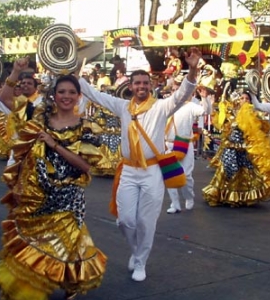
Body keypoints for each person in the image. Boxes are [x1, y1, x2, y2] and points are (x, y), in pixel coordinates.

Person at [77, 48, 202, 282]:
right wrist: (75, 74)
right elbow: (94, 95)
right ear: (131, 86)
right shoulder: (122, 107)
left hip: (152, 172)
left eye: (145, 83)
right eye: (137, 83)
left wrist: (193, 69)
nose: (141, 86)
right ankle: (136, 253)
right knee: (125, 221)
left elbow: (183, 94)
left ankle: (141, 261)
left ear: (151, 85)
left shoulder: (161, 106)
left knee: (146, 221)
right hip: (128, 171)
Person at [0, 74, 107, 300]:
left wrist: (54, 144)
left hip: (67, 198)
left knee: (65, 244)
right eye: (61, 92)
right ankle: (30, 289)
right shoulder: (38, 118)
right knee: (35, 243)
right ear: (54, 95)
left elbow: (87, 166)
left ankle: (65, 278)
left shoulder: (86, 127)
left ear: (79, 96)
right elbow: (5, 98)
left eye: (71, 92)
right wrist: (15, 72)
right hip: (35, 196)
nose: (66, 96)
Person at [202, 91, 270, 207]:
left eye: (247, 98)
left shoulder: (255, 115)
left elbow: (261, 131)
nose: (244, 100)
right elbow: (221, 125)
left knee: (246, 173)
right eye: (242, 98)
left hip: (245, 149)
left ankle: (241, 197)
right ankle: (226, 196)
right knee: (229, 171)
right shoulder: (232, 113)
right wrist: (213, 106)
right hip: (230, 148)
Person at [165, 82, 212, 214]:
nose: (174, 92)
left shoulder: (191, 106)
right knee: (170, 176)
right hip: (168, 144)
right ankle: (175, 204)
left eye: (177, 90)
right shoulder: (166, 105)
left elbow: (206, 111)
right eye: (173, 90)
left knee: (186, 175)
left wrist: (204, 98)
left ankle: (189, 197)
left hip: (184, 144)